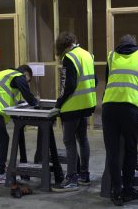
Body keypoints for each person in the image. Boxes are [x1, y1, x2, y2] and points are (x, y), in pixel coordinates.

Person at [102, 34, 138, 206]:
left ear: (120, 44)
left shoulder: (112, 56)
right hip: (130, 110)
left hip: (108, 108)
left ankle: (116, 192)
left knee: (113, 151)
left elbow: (107, 81)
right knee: (131, 150)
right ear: (135, 44)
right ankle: (128, 190)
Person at [51, 32, 97, 192]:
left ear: (64, 47)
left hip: (72, 107)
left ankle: (71, 178)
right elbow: (95, 80)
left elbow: (67, 85)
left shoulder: (69, 58)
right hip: (86, 104)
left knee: (69, 142)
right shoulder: (87, 55)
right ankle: (84, 175)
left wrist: (59, 103)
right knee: (82, 139)